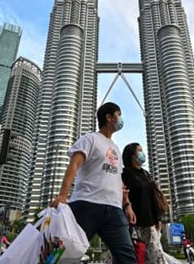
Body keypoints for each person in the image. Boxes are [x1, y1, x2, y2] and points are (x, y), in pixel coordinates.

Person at [51, 102, 137, 264]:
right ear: (109, 117)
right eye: (118, 114)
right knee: (65, 254)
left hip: (114, 210)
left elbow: (117, 179)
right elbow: (74, 165)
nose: (120, 119)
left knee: (127, 256)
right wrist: (62, 196)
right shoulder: (89, 139)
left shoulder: (116, 149)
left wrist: (127, 205)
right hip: (86, 205)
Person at [122, 143, 166, 264]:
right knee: (132, 256)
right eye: (139, 151)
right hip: (133, 224)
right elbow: (122, 195)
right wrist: (126, 207)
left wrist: (158, 219)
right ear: (132, 155)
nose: (143, 153)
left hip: (150, 224)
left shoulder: (146, 174)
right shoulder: (126, 173)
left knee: (157, 257)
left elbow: (152, 198)